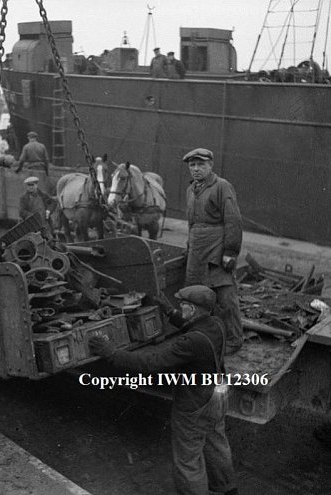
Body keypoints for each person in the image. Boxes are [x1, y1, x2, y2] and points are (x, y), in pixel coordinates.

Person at [89, 285, 238, 495]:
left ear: (193, 310)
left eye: (183, 305)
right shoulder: (216, 323)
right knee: (216, 445)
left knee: (188, 460)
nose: (181, 307)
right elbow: (194, 327)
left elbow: (150, 361)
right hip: (218, 395)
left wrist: (111, 352)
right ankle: (228, 489)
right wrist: (170, 312)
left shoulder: (190, 343)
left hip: (195, 403)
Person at [182, 148, 243, 355]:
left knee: (225, 296)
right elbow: (192, 223)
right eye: (192, 165)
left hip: (217, 248)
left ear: (211, 166)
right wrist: (189, 245)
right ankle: (205, 337)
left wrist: (230, 252)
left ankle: (234, 340)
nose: (196, 169)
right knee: (197, 296)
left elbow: (233, 220)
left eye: (201, 164)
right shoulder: (191, 190)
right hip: (197, 249)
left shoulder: (222, 187)